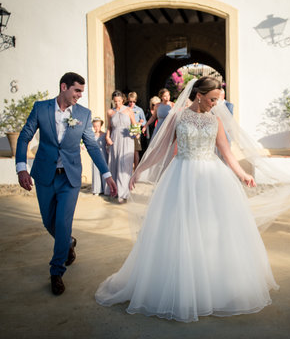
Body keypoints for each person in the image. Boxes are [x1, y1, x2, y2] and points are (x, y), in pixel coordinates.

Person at [95, 77, 279, 322]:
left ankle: (213, 286)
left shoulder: (216, 120)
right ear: (199, 95)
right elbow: (160, 150)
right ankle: (180, 286)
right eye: (213, 99)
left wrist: (243, 174)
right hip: (181, 177)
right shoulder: (177, 117)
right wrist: (139, 170)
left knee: (212, 229)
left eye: (218, 100)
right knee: (179, 230)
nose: (216, 104)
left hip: (212, 178)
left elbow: (227, 152)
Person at [16, 72, 118, 296]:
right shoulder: (41, 108)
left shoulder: (83, 114)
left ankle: (56, 271)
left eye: (82, 91)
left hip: (69, 177)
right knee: (48, 222)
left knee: (62, 223)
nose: (80, 95)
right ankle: (69, 243)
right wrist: (21, 168)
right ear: (64, 87)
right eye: (77, 91)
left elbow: (92, 146)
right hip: (45, 175)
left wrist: (106, 173)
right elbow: (24, 137)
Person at [105, 90, 136, 204]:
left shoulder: (129, 110)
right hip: (114, 140)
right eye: (115, 101)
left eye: (119, 101)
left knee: (124, 165)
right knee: (114, 163)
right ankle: (114, 190)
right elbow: (109, 127)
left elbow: (134, 125)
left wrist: (136, 133)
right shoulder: (110, 112)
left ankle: (123, 193)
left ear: (123, 100)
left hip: (127, 139)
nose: (117, 103)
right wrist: (107, 137)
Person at [127, 92, 146, 170]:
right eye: (130, 101)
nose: (132, 103)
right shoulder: (125, 109)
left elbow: (144, 121)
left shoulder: (139, 110)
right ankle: (128, 168)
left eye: (133, 102)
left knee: (136, 152)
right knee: (127, 151)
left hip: (136, 133)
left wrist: (140, 123)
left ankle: (136, 169)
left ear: (136, 101)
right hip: (127, 132)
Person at [91, 117, 108, 195]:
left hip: (104, 154)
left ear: (101, 126)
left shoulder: (105, 135)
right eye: (94, 126)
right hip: (95, 155)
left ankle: (105, 188)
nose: (96, 128)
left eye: (98, 126)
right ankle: (97, 189)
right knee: (96, 171)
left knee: (104, 170)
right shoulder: (92, 135)